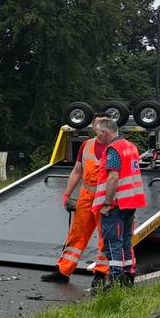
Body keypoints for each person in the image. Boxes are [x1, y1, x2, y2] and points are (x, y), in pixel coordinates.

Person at [42, 116, 112, 283]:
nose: (100, 126)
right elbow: (77, 171)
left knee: (105, 237)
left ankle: (101, 273)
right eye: (97, 123)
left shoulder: (116, 146)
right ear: (93, 126)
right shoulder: (86, 145)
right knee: (77, 233)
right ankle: (63, 270)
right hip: (86, 196)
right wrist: (67, 193)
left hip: (105, 198)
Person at [91, 118, 147, 287]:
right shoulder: (130, 146)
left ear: (104, 132)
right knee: (126, 241)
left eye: (97, 134)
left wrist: (107, 204)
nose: (97, 138)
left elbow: (113, 177)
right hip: (131, 202)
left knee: (113, 242)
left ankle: (116, 280)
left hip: (116, 204)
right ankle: (129, 276)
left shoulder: (113, 149)